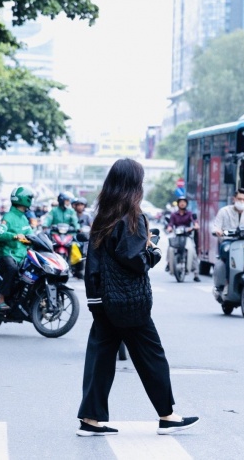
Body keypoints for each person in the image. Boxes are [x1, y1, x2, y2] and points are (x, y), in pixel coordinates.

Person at [77, 158, 199, 437]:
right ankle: (167, 416)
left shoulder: (102, 217)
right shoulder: (132, 218)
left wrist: (94, 300)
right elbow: (135, 259)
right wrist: (152, 251)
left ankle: (90, 419)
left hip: (104, 301)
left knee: (100, 357)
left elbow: (92, 264)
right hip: (130, 303)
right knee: (152, 357)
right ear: (135, 185)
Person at [211, 188, 244, 295]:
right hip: (228, 243)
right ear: (234, 199)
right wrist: (217, 231)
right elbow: (215, 226)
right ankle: (227, 283)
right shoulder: (224, 211)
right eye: (239, 199)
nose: (242, 202)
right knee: (229, 252)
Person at [0, 186, 34, 312]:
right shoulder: (8, 217)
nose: (30, 200)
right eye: (29, 198)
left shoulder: (24, 218)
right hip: (7, 253)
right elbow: (0, 234)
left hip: (21, 254)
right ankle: (1, 299)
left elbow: (31, 235)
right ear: (23, 199)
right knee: (12, 269)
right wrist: (14, 236)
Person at [165, 195, 200, 282]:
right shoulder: (173, 214)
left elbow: (194, 222)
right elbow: (170, 224)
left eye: (184, 202)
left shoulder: (190, 214)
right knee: (170, 248)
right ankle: (169, 263)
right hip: (177, 236)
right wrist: (169, 228)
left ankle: (196, 273)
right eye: (180, 202)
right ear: (178, 204)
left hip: (187, 236)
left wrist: (195, 226)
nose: (182, 203)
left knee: (192, 251)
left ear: (186, 204)